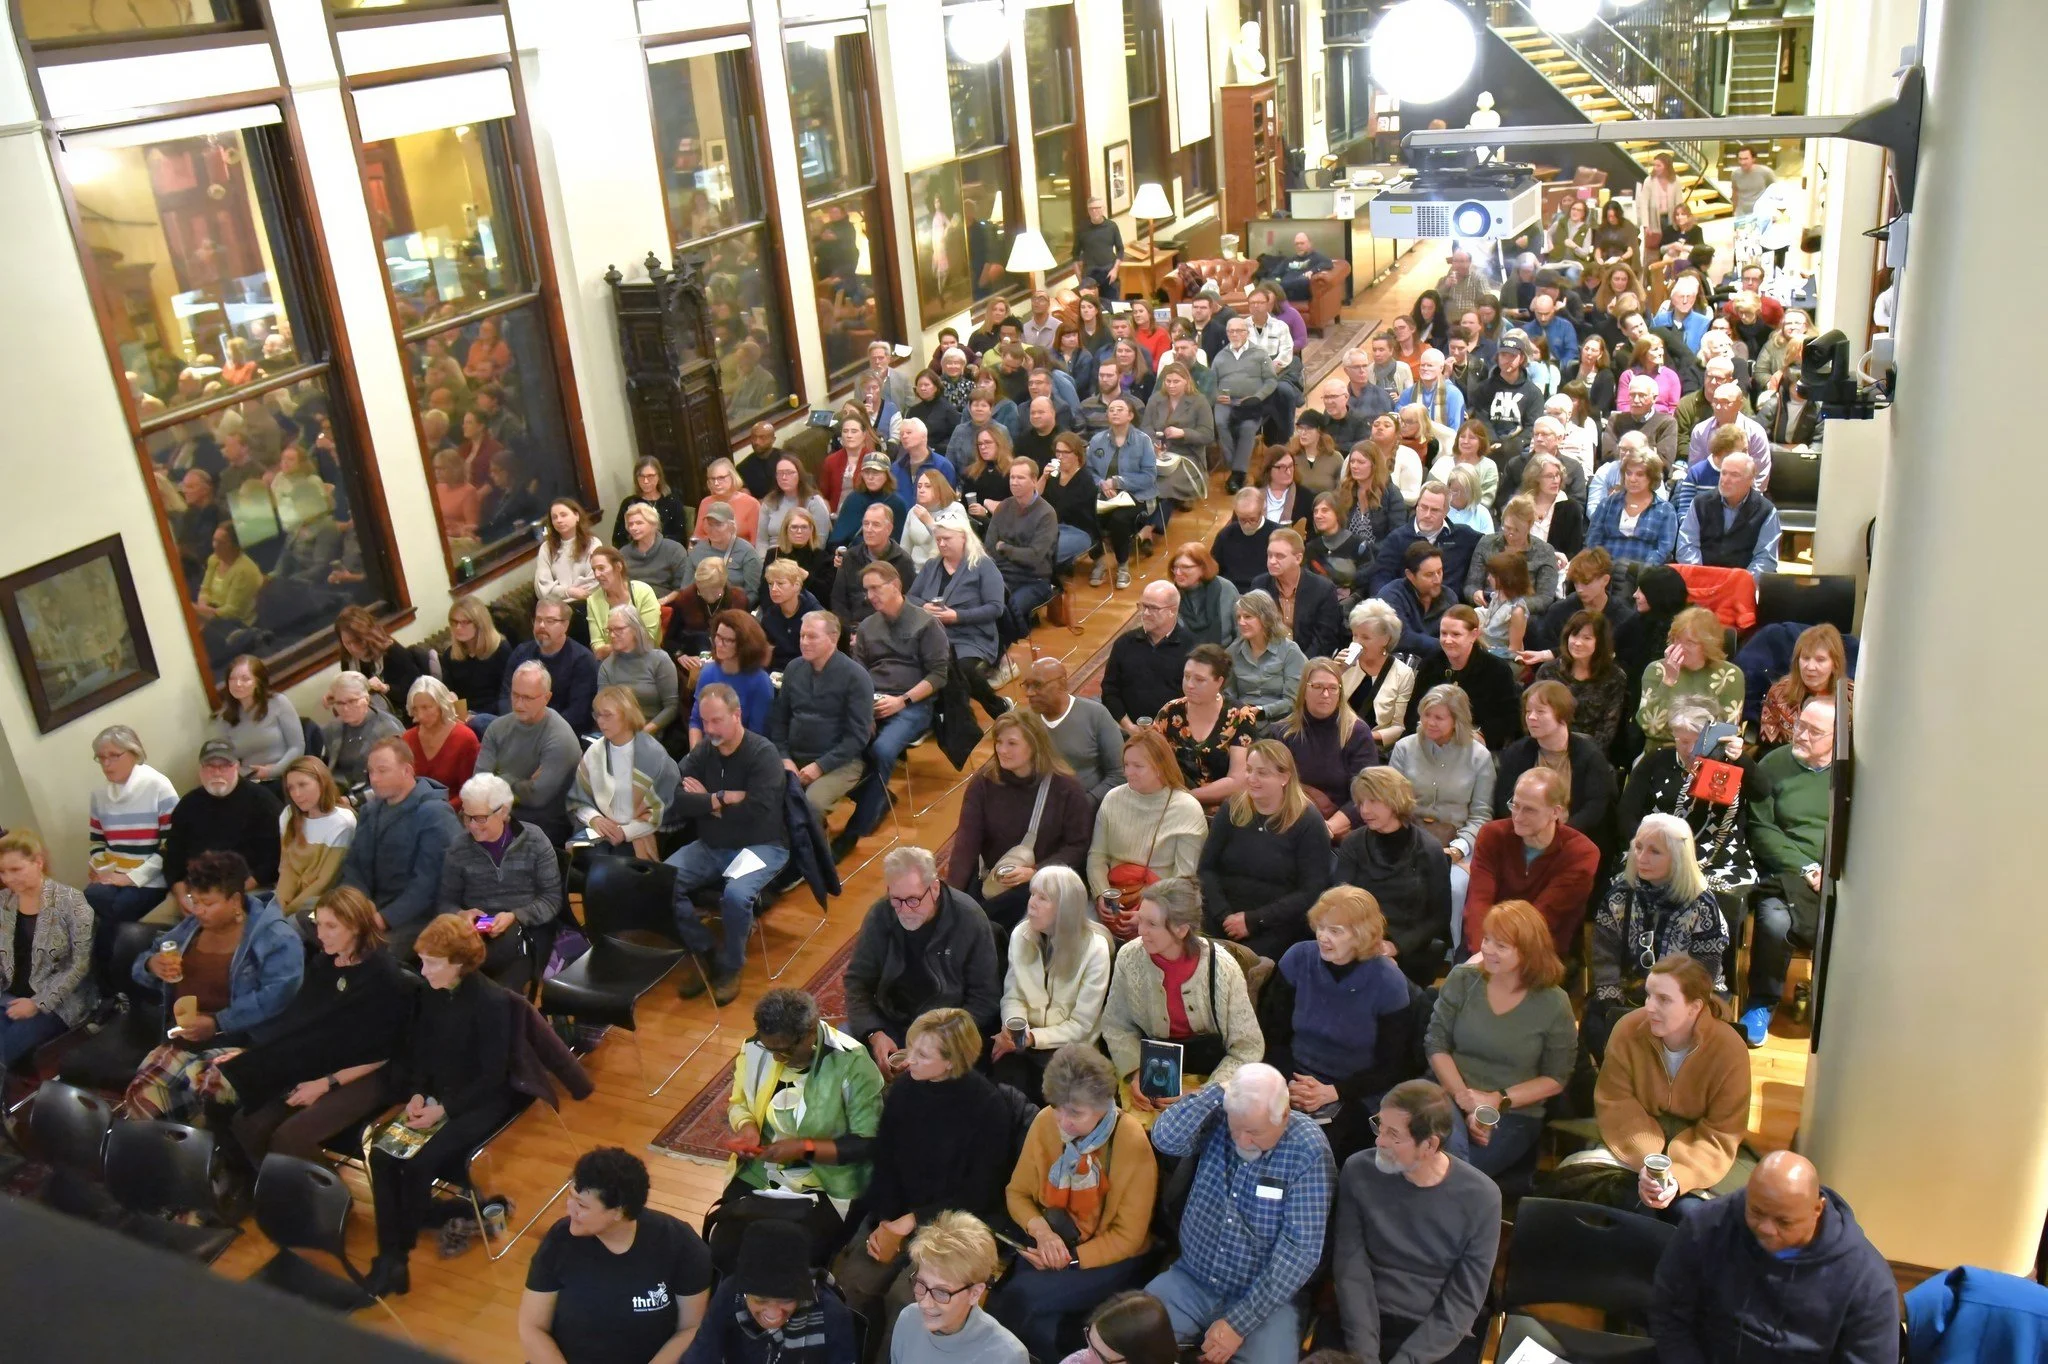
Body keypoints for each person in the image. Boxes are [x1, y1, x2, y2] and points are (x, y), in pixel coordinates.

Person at [833, 1009, 1015, 1358]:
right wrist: (887, 1222)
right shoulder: (906, 1089)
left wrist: (911, 1222)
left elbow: (978, 1193)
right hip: (897, 1217)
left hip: (951, 1229)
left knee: (908, 1302)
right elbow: (884, 1159)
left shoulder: (987, 1107)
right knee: (853, 1285)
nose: (908, 1059)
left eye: (922, 1054)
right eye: (912, 1047)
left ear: (951, 1062)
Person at [362, 913, 522, 1297]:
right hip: (436, 1097)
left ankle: (396, 1256)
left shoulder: (492, 1002)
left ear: (459, 963)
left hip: (477, 1103)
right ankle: (394, 1256)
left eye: (431, 962)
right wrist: (416, 1094)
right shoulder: (430, 993)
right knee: (383, 1156)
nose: (423, 969)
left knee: (417, 1161)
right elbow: (420, 1053)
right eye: (422, 960)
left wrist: (443, 1109)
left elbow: (491, 1077)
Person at [1144, 1064, 1335, 1364]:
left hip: (1264, 1299)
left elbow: (1301, 1251)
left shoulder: (1307, 1146)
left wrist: (1240, 1322)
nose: (1242, 1141)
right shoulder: (1222, 1112)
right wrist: (1216, 1092)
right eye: (1237, 1129)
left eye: (1255, 1132)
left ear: (1284, 1116)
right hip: (1192, 1278)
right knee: (1127, 1339)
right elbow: (1164, 1138)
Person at [218, 885, 411, 1166]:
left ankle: (329, 1203)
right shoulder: (326, 963)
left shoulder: (384, 977)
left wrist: (325, 1084)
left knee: (290, 1138)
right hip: (325, 1059)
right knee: (248, 1123)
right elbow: (300, 1023)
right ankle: (272, 1192)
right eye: (318, 924)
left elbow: (382, 1053)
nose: (321, 935)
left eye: (331, 926)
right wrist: (255, 1056)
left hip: (368, 1073)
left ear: (356, 926)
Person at [1649, 1150, 1900, 1364]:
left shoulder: (1867, 1282)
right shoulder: (1706, 1225)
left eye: (1783, 1221)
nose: (1766, 1229)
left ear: (1817, 1209)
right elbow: (1669, 1313)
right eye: (1756, 1212)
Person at [993, 1049, 1160, 1360]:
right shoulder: (1046, 1123)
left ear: (1102, 1105)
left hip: (1109, 1256)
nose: (1063, 1121)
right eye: (1058, 1108)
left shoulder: (1130, 1140)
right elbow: (1017, 1193)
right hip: (1053, 1239)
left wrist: (1068, 1259)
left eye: (1075, 1113)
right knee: (1037, 1324)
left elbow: (1128, 1236)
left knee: (1019, 1298)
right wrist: (1042, 1233)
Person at [123, 850, 303, 1121]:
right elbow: (141, 966)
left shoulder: (276, 937)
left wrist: (218, 1022)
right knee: (140, 1096)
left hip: (242, 1045)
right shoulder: (190, 928)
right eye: (195, 901)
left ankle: (199, 1156)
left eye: (207, 903)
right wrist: (152, 965)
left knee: (202, 1097)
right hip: (183, 1039)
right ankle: (159, 1154)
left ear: (235, 901)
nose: (198, 910)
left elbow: (277, 997)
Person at [1333, 1080, 1500, 1364]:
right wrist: (1363, 1356)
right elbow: (1350, 1268)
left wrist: (1407, 1360)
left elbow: (1464, 1299)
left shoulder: (1482, 1198)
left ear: (1430, 1144)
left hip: (1436, 1335)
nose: (1378, 1141)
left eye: (1393, 1135)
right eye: (1379, 1125)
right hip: (1362, 1319)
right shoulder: (1358, 1170)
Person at [718, 988, 884, 1268]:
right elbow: (739, 1104)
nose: (778, 1059)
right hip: (760, 1174)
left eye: (785, 1050)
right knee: (724, 1248)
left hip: (824, 1183)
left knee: (792, 1257)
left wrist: (804, 1148)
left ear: (810, 1032)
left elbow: (867, 1142)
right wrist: (748, 1129)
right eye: (771, 1050)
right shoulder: (756, 1048)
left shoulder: (851, 1062)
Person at [1259, 888, 1414, 1162]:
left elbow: (1392, 1066)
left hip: (1355, 1090)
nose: (1323, 937)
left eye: (1336, 931)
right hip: (1293, 1076)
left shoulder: (1388, 981)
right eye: (1320, 927)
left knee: (1315, 1150)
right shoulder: (1298, 958)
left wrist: (1333, 1092)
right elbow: (1273, 1034)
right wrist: (1290, 1084)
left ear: (1361, 934)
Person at [1425, 899, 1576, 1178]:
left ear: (1529, 953)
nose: (1487, 950)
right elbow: (1436, 1042)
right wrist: (1463, 1098)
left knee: (1453, 1173)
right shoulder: (1463, 979)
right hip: (1447, 1092)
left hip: (1511, 1112)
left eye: (1501, 946)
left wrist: (1495, 1100)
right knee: (1422, 1154)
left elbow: (1556, 1078)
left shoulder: (1554, 1003)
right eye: (1487, 939)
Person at [520, 1147, 714, 1364]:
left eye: (582, 1205)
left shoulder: (680, 1244)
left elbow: (691, 1328)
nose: (569, 1209)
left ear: (618, 1212)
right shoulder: (559, 1240)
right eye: (570, 1197)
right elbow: (532, 1326)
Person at [1594, 953, 1754, 1212]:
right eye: (1648, 995)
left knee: (1692, 1215)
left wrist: (1677, 1177)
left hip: (1699, 1150)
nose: (1649, 1007)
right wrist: (1649, 1164)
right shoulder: (1627, 1030)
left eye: (1664, 1000)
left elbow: (1722, 1130)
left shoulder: (1730, 1050)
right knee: (1619, 1202)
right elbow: (1615, 1101)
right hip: (1634, 1139)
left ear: (1695, 1007)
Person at [1098, 878, 1264, 1117]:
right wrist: (1136, 1072)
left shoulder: (1223, 968)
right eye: (1141, 919)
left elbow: (1247, 1047)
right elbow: (1117, 1025)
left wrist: (1204, 1095)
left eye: (1152, 924)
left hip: (1209, 1078)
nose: (1140, 930)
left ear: (1181, 929)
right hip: (1148, 1070)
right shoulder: (1129, 957)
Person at [663, 684, 787, 1003]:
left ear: (736, 715)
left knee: (735, 893)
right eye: (704, 722)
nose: (709, 729)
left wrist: (705, 801)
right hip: (710, 845)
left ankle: (732, 966)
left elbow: (758, 812)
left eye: (717, 721)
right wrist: (720, 798)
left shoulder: (763, 754)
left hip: (759, 847)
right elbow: (677, 800)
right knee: (661, 883)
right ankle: (705, 950)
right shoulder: (704, 751)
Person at [844, 846, 1002, 1068]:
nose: (905, 910)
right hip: (891, 1023)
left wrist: (937, 1043)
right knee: (839, 1058)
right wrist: (874, 1032)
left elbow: (985, 998)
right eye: (896, 900)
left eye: (913, 900)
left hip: (946, 1031)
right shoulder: (880, 915)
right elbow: (857, 982)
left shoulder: (969, 919)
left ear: (934, 888)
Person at [1588, 814, 1728, 1056]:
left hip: (1686, 996)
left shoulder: (1702, 904)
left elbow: (1705, 971)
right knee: (1595, 1026)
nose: (1641, 858)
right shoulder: (1619, 894)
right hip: (1627, 991)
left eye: (1655, 851)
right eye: (1639, 847)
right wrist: (1610, 998)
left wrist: (1666, 1004)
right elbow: (1604, 953)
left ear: (1677, 857)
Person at [838, 562, 952, 854]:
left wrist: (902, 701)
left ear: (896, 585)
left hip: (912, 703)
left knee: (883, 750)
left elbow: (938, 676)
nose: (871, 596)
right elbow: (859, 672)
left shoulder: (926, 624)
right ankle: (877, 795)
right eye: (867, 590)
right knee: (839, 742)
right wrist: (865, 709)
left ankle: (862, 822)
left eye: (876, 588)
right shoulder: (866, 626)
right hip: (874, 700)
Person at [946, 710, 1093, 933]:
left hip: (1041, 883)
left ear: (1034, 745)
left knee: (986, 924)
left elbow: (1078, 846)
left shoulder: (1066, 788)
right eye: (999, 742)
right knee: (962, 913)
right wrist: (951, 898)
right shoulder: (983, 784)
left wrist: (1036, 871)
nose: (1002, 750)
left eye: (1012, 743)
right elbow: (966, 845)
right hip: (994, 880)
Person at [1743, 695, 1836, 1046]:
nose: (1802, 735)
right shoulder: (1774, 763)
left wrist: (1828, 869)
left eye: (1815, 731)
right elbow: (1760, 826)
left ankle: (1831, 1005)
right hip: (1782, 871)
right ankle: (1761, 1003)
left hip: (1835, 873)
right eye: (1801, 725)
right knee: (1775, 921)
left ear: (1837, 738)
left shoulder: (1851, 775)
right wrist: (1806, 867)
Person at [1197, 740, 1334, 961]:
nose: (1251, 779)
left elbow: (1311, 890)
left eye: (1262, 773)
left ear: (1284, 777)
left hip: (1277, 924)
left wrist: (1254, 921)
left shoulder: (1307, 821)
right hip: (1221, 916)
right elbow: (1206, 869)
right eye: (1249, 770)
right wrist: (1224, 915)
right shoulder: (1231, 809)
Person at [993, 866, 1114, 1100]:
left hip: (1071, 1049)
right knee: (1003, 1092)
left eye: (1043, 898)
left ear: (1065, 908)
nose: (1032, 903)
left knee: (1057, 1101)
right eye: (1032, 894)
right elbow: (1013, 995)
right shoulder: (1021, 935)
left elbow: (1081, 1025)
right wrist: (1013, 1028)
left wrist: (1033, 1038)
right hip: (1025, 1042)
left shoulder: (1095, 949)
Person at [339, 737, 463, 962]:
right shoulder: (370, 811)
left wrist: (382, 919)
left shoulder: (435, 814)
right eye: (370, 772)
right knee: (309, 926)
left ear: (406, 770)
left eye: (382, 771)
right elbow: (354, 865)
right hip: (369, 908)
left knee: (368, 956)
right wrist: (359, 904)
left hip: (415, 917)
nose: (374, 779)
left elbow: (428, 884)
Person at [439, 771, 564, 989]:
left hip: (527, 932)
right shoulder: (458, 848)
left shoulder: (535, 841)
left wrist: (516, 916)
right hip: (478, 931)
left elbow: (551, 899)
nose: (472, 825)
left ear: (503, 812)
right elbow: (444, 901)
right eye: (466, 816)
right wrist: (461, 914)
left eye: (480, 818)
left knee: (497, 990)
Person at [1334, 767, 1453, 988]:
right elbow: (1340, 902)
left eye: (1373, 801)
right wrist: (1363, 943)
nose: (1365, 810)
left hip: (1409, 946)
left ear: (1395, 801)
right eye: (1360, 803)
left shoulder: (1429, 850)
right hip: (1357, 941)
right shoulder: (1353, 844)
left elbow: (1438, 918)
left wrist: (1395, 946)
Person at [1085, 729, 1209, 941]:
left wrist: (1148, 914)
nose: (1128, 772)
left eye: (1138, 766)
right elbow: (1097, 857)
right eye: (1126, 765)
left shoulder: (1187, 808)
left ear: (1160, 768)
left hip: (1164, 905)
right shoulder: (1112, 799)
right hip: (1114, 897)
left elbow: (1185, 880)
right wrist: (1102, 895)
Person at [1463, 767, 1600, 958]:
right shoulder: (1492, 835)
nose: (1518, 817)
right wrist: (1483, 950)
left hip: (1542, 950)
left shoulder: (1581, 853)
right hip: (1487, 942)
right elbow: (1479, 901)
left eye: (1529, 810)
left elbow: (1544, 916)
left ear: (1555, 812)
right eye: (1515, 805)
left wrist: (1498, 955)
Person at [681, 1220, 858, 1364]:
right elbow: (701, 1353)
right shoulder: (729, 1293)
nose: (773, 1313)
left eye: (787, 1299)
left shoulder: (833, 1315)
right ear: (744, 1290)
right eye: (760, 1299)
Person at [0, 830, 95, 1065]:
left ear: (38, 863)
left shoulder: (71, 902)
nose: (9, 878)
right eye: (2, 872)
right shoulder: (3, 901)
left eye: (16, 869)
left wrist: (37, 1003)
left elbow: (79, 965)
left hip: (56, 1001)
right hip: (8, 994)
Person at [907, 507, 1010, 722]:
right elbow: (910, 598)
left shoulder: (983, 566)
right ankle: (941, 716)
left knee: (961, 669)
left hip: (972, 637)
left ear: (963, 537)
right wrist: (924, 608)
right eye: (938, 539)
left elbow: (995, 608)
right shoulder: (931, 566)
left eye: (947, 539)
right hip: (934, 636)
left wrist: (957, 616)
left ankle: (996, 707)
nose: (942, 544)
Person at [1492, 680, 1617, 854]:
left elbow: (1595, 807)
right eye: (1528, 711)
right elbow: (1504, 801)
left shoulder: (1590, 755)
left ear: (1562, 715)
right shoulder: (1517, 752)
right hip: (1522, 839)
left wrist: (1558, 836)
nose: (1531, 717)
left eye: (1540, 712)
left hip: (1572, 842)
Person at [772, 609, 875, 819]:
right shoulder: (793, 668)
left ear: (833, 638)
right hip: (793, 758)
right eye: (802, 636)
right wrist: (784, 758)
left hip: (840, 762)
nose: (804, 642)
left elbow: (857, 737)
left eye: (812, 636)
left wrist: (820, 767)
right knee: (762, 794)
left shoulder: (856, 677)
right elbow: (779, 721)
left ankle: (817, 849)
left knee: (811, 804)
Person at [891, 1212, 1029, 1363]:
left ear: (975, 1293)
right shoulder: (908, 1319)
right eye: (922, 1284)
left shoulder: (1007, 1356)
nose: (925, 1303)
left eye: (941, 1292)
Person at [163, 738, 287, 906]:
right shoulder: (187, 805)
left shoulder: (263, 802)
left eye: (224, 766)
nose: (217, 772)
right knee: (142, 930)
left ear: (236, 767)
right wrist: (181, 896)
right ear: (201, 770)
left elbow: (274, 859)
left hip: (248, 890)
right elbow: (173, 859)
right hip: (195, 892)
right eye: (210, 766)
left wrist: (230, 894)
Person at [477, 661, 583, 846]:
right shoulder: (497, 728)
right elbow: (479, 783)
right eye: (515, 695)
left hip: (542, 826)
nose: (518, 704)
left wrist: (498, 777)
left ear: (546, 697)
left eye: (527, 698)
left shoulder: (559, 738)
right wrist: (520, 783)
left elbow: (537, 798)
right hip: (495, 816)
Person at [85, 725, 178, 930]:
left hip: (152, 879)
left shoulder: (158, 787)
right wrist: (100, 868)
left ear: (134, 753)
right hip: (113, 875)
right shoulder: (99, 796)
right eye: (101, 758)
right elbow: (97, 841)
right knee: (91, 897)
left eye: (114, 756)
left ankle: (106, 960)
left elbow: (172, 845)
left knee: (117, 911)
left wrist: (130, 878)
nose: (106, 764)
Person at [1155, 645, 1262, 811]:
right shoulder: (1169, 712)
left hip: (1222, 809)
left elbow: (1237, 780)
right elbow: (1151, 760)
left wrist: (1187, 797)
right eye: (1187, 676)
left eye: (1199, 679)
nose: (1189, 685)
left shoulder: (1240, 716)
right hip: (1169, 804)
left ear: (1219, 682)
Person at [1280, 659, 1380, 835]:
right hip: (1289, 823)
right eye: (1318, 687)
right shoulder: (1282, 732)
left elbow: (1367, 793)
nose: (1326, 694)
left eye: (1333, 688)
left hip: (1341, 829)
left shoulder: (1357, 732)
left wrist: (1327, 828)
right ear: (1304, 689)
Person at [1404, 609, 1522, 753]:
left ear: (1474, 635)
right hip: (1430, 741)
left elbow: (1509, 718)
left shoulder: (1497, 669)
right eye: (1443, 633)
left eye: (1456, 634)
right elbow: (1413, 711)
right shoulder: (1430, 664)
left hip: (1473, 746)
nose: (1447, 640)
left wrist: (1481, 735)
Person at [1637, 605, 1744, 755]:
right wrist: (1668, 680)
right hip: (1659, 753)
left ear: (1708, 645)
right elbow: (1650, 728)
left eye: (1690, 642)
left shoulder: (1730, 675)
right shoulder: (1656, 670)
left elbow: (1724, 734)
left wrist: (1684, 739)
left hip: (1707, 755)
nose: (1680, 648)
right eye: (1676, 640)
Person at [1021, 657, 1124, 802]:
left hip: (1090, 809)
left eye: (1038, 685)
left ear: (1062, 684)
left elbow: (1119, 774)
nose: (1029, 693)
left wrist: (1084, 804)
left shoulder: (1096, 715)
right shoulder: (1024, 723)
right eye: (1026, 685)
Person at [987, 456, 1061, 648]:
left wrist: (1005, 548)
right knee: (979, 605)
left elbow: (1035, 558)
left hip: (1033, 580)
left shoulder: (1046, 513)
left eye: (1020, 478)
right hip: (1002, 576)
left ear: (1034, 481)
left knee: (1006, 612)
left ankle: (1003, 656)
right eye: (1012, 477)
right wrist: (1011, 552)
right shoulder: (1004, 507)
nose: (1014, 482)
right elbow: (989, 546)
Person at [501, 596, 599, 736]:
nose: (541, 626)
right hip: (518, 728)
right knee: (483, 723)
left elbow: (578, 714)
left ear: (565, 625)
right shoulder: (521, 652)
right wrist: (515, 724)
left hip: (559, 734)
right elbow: (505, 695)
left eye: (550, 621)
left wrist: (537, 730)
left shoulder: (583, 660)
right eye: (538, 619)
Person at [273, 756, 356, 917]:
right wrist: (279, 905)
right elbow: (287, 868)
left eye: (303, 785)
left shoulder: (342, 822)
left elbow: (325, 881)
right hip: (290, 898)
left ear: (321, 782)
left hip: (323, 902)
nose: (296, 794)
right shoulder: (288, 815)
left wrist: (287, 911)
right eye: (291, 788)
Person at [1676, 449, 1780, 577]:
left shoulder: (1766, 511)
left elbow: (1765, 558)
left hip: (1742, 584)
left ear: (1750, 480)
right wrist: (1702, 575)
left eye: (1734, 475)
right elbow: (1686, 546)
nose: (1725, 479)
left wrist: (1740, 583)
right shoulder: (1700, 503)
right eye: (1723, 473)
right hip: (1703, 579)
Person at [1251, 529, 1343, 660]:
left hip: (1309, 663)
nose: (1272, 561)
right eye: (1269, 555)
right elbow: (1257, 633)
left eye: (1279, 556)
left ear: (1298, 558)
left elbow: (1324, 640)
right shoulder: (1259, 585)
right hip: (1269, 663)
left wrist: (1299, 666)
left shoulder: (1323, 589)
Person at [208, 654, 303, 782]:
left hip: (285, 776)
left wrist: (273, 771)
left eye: (245, 679)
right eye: (232, 679)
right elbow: (227, 758)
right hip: (250, 782)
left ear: (258, 682)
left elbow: (297, 746)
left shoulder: (278, 702)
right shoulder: (225, 717)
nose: (237, 684)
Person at [1341, 599, 1418, 754]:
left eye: (1365, 637)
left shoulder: (1402, 673)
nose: (1357, 642)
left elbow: (1399, 726)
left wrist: (1365, 737)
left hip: (1372, 747)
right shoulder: (1343, 663)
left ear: (1386, 640)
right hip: (1336, 740)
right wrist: (1335, 672)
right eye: (1355, 635)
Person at [1759, 623, 1853, 749]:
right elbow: (1768, 751)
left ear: (1835, 664)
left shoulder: (1852, 698)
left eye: (1820, 660)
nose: (1810, 667)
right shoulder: (1779, 693)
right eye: (1805, 658)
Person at [597, 606, 682, 740]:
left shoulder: (659, 660)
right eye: (609, 630)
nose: (612, 635)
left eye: (618, 629)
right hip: (617, 734)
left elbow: (672, 707)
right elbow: (602, 709)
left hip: (653, 734)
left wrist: (643, 733)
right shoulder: (607, 666)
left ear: (635, 629)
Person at [1225, 591, 1307, 724]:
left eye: (1247, 616)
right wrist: (1242, 711)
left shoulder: (1290, 651)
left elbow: (1293, 700)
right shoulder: (1232, 652)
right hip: (1242, 721)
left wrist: (1262, 710)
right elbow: (1229, 695)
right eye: (1238, 617)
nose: (1241, 622)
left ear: (1265, 618)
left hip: (1281, 723)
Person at [828, 502, 913, 632]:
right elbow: (838, 601)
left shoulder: (903, 561)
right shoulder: (850, 557)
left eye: (876, 525)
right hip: (851, 630)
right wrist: (849, 631)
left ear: (889, 529)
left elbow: (907, 604)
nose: (869, 529)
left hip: (887, 631)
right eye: (866, 524)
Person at [321, 671, 405, 790]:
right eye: (339, 703)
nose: (345, 708)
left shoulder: (388, 730)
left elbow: (396, 779)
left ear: (366, 699)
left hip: (376, 793)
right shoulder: (332, 729)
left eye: (352, 701)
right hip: (337, 792)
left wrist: (354, 800)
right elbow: (325, 767)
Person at [403, 675, 480, 801]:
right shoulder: (407, 739)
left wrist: (439, 811)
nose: (420, 716)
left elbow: (469, 791)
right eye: (415, 709)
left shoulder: (465, 738)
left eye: (426, 708)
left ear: (441, 705)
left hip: (451, 812)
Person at [333, 604, 424, 708]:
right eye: (347, 643)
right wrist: (337, 695)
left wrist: (385, 688)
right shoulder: (348, 659)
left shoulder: (393, 652)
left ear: (368, 635)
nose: (352, 648)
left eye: (357, 641)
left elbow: (415, 691)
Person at [442, 596, 512, 723]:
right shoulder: (450, 655)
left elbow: (507, 694)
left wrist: (476, 717)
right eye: (454, 622)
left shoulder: (500, 649)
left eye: (464, 622)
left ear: (479, 624)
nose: (458, 627)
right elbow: (450, 693)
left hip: (496, 716)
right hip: (463, 718)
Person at [618, 503, 693, 614]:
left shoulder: (674, 549)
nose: (633, 528)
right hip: (633, 609)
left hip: (667, 607)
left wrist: (661, 602)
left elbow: (682, 586)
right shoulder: (623, 553)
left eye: (639, 523)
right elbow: (620, 586)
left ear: (653, 524)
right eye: (630, 524)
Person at [1168, 543, 1240, 648]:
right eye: (1175, 567)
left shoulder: (1226, 589)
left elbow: (1240, 632)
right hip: (1182, 659)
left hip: (1225, 657)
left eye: (1186, 567)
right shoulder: (1169, 595)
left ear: (1203, 568)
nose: (1178, 573)